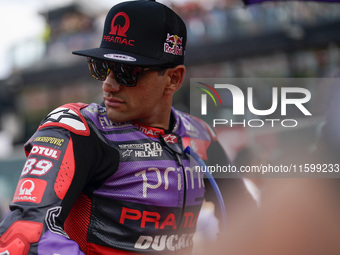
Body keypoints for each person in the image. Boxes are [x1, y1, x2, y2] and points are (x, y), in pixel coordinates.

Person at [0, 1, 254, 254]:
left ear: (173, 79)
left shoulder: (201, 135)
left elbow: (248, 220)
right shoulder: (78, 129)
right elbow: (22, 234)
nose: (108, 84)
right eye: (101, 67)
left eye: (126, 71)